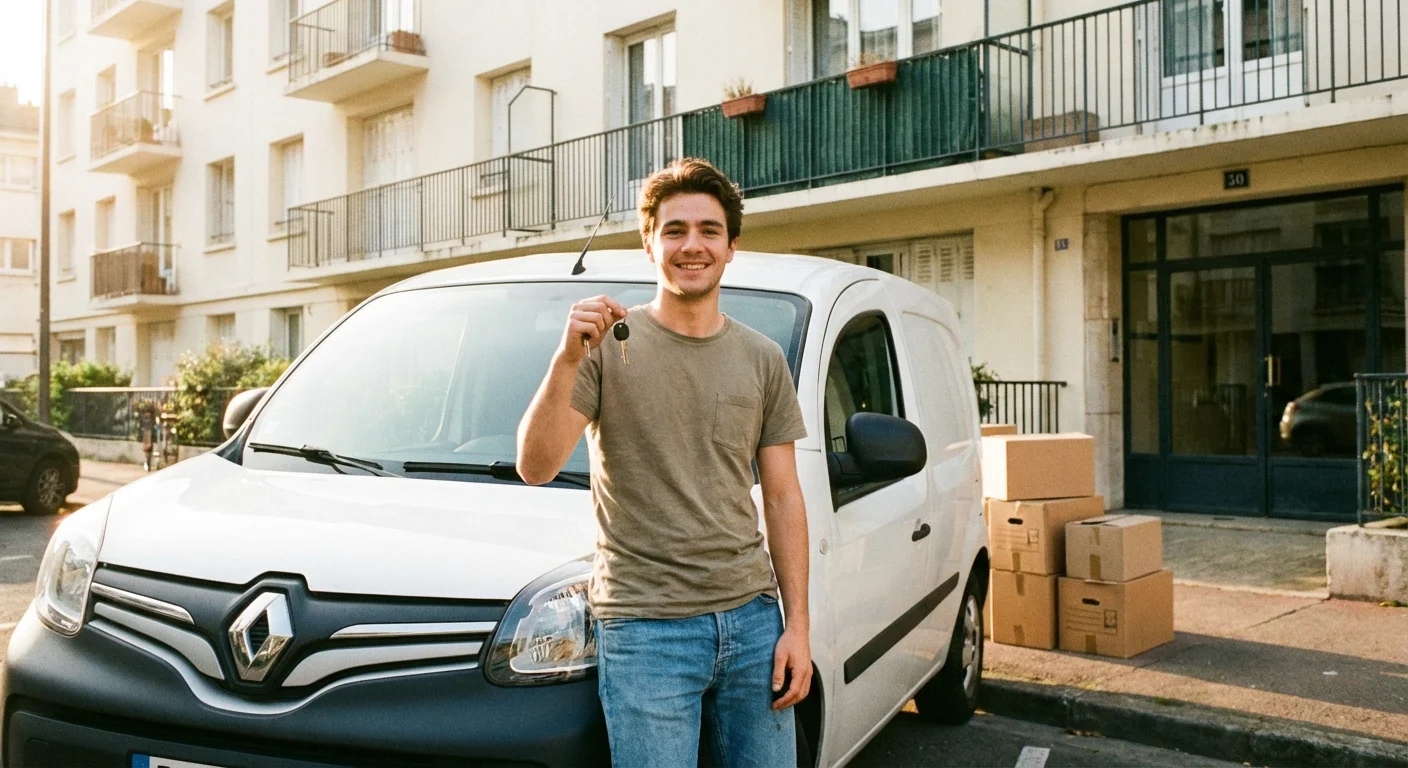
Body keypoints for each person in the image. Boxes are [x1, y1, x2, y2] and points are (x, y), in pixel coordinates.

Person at [517, 157, 812, 767]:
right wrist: (566, 359)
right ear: (648, 244)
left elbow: (783, 497)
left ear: (732, 247)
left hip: (753, 620)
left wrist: (798, 626)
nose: (692, 245)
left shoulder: (762, 360)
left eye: (708, 230)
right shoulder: (603, 347)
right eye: (674, 230)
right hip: (645, 628)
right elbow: (536, 466)